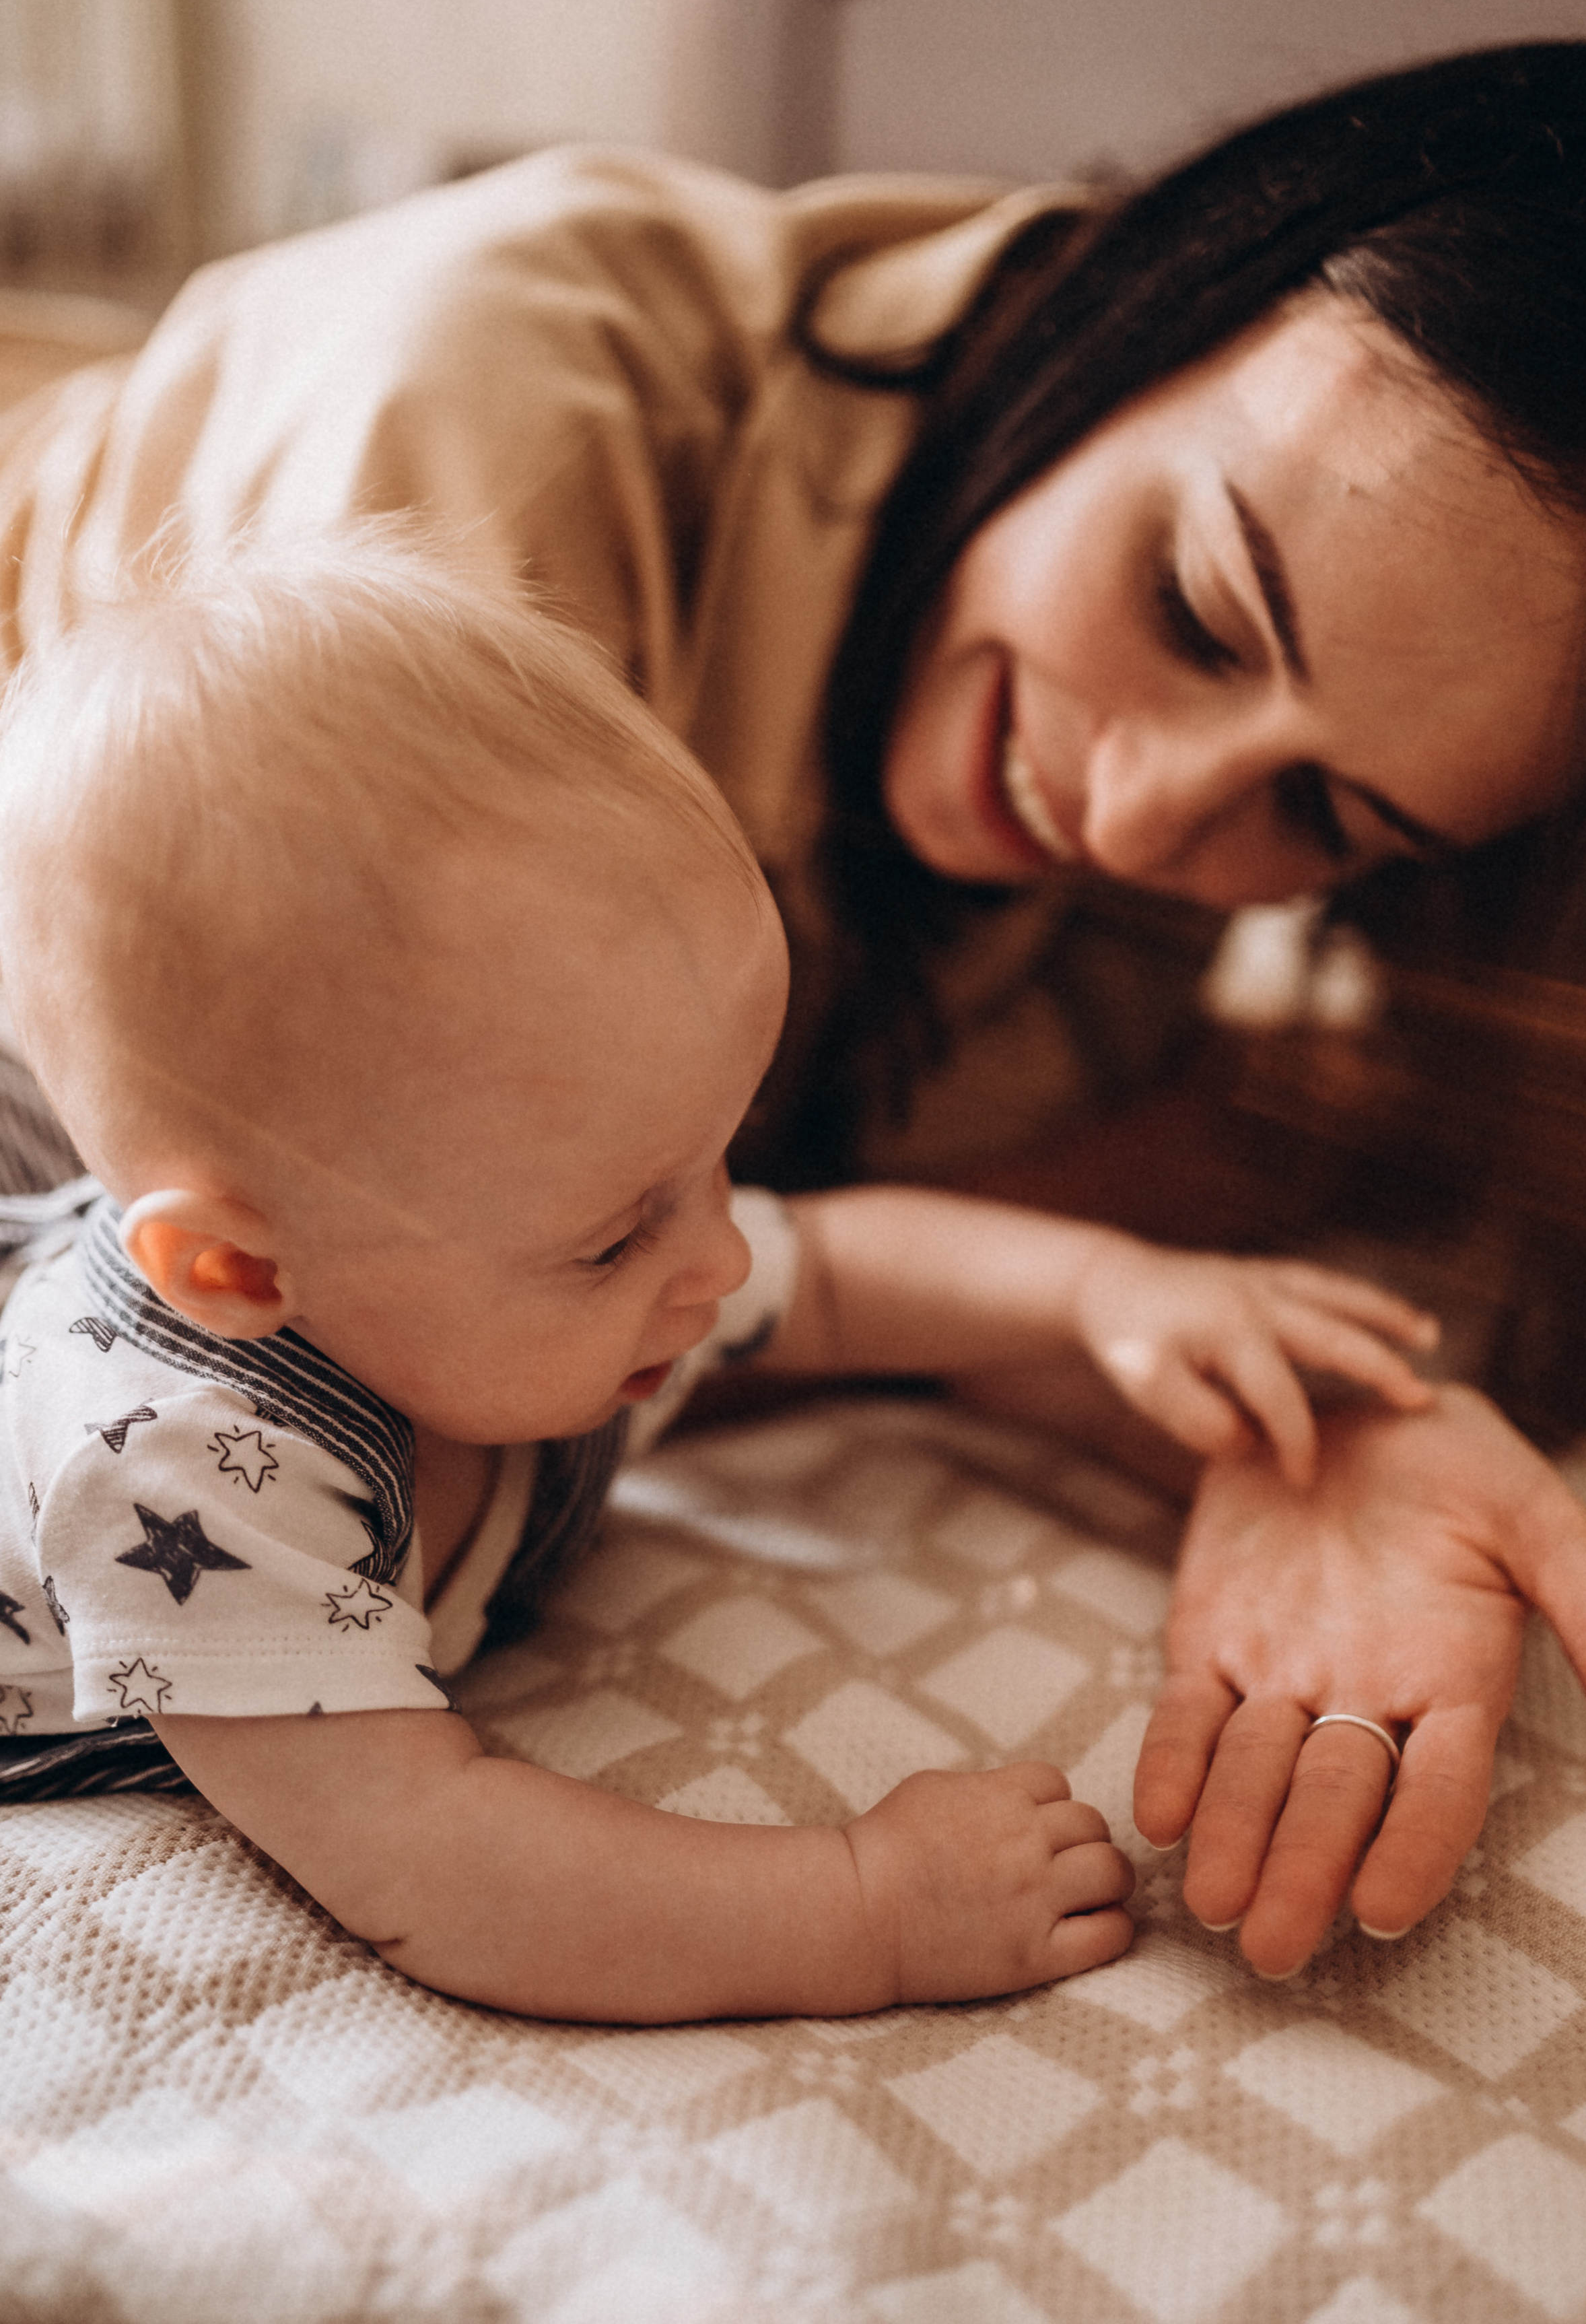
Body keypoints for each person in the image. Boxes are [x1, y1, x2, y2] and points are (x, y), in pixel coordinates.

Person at [0, 38, 1586, 1978]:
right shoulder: (460, 459)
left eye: (1327, 812)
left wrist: (1307, 1428)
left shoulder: (1127, 904)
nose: (1141, 814)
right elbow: (455, 1342)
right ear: (1166, 284)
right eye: (1196, 605)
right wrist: (854, 1913)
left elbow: (802, 1264)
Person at [0, 535, 1451, 2020]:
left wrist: (1106, 1291)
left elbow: (831, 1275)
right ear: (243, 1270)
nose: (722, 1253)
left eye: (713, 1161)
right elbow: (443, 1866)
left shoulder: (527, 1256)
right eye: (621, 1230)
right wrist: (863, 1907)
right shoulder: (181, 1481)